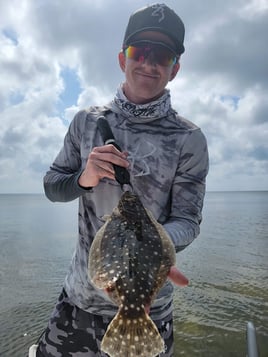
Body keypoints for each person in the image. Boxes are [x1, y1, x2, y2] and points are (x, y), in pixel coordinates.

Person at [36, 3, 209, 356]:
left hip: (150, 303)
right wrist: (84, 178)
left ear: (174, 69)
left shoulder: (189, 138)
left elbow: (188, 221)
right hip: (79, 302)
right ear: (122, 59)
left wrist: (154, 249)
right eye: (139, 51)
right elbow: (52, 186)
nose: (149, 63)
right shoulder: (86, 122)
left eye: (162, 55)